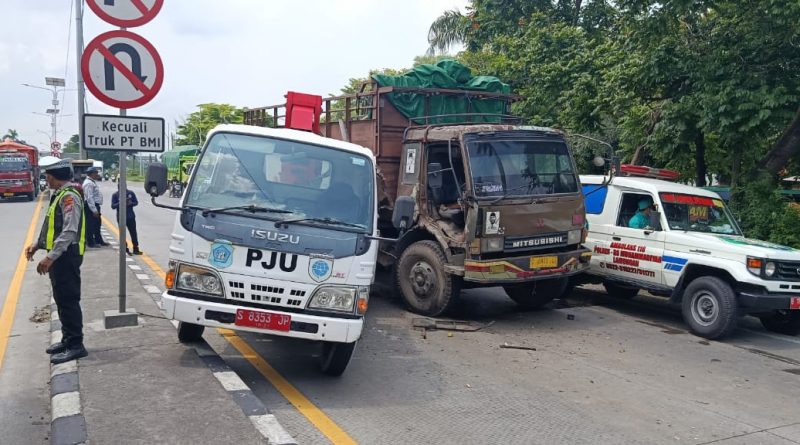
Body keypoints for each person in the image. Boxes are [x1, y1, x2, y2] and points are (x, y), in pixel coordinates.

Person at [25, 158, 88, 364]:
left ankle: (76, 345)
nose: (47, 180)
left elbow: (69, 230)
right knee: (61, 299)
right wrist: (38, 244)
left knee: (68, 300)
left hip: (66, 256)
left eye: (48, 177)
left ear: (55, 177)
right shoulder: (60, 194)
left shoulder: (69, 197)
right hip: (60, 255)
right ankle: (68, 339)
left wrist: (50, 257)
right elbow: (53, 226)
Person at [111, 185, 142, 255]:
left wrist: (130, 203)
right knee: (122, 234)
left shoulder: (130, 193)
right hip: (121, 217)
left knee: (133, 233)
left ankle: (135, 248)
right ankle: (125, 248)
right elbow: (113, 206)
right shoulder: (115, 195)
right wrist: (121, 202)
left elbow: (136, 202)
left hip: (130, 216)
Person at [83, 168, 108, 247]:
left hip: (94, 205)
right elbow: (89, 198)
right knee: (90, 225)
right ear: (92, 174)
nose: (97, 174)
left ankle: (99, 240)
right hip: (91, 206)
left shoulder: (91, 182)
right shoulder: (88, 183)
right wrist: (94, 210)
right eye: (96, 173)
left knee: (97, 224)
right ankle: (90, 242)